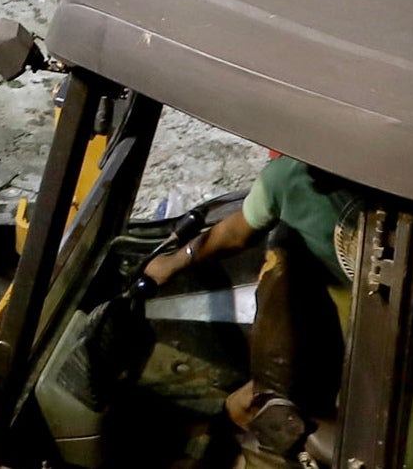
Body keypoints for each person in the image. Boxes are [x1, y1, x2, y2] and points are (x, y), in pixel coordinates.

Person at [146, 152, 370, 467]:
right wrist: (172, 262)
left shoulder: (301, 177)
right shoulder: (289, 179)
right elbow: (235, 232)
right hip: (341, 347)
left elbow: (236, 233)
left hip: (389, 369)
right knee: (241, 407)